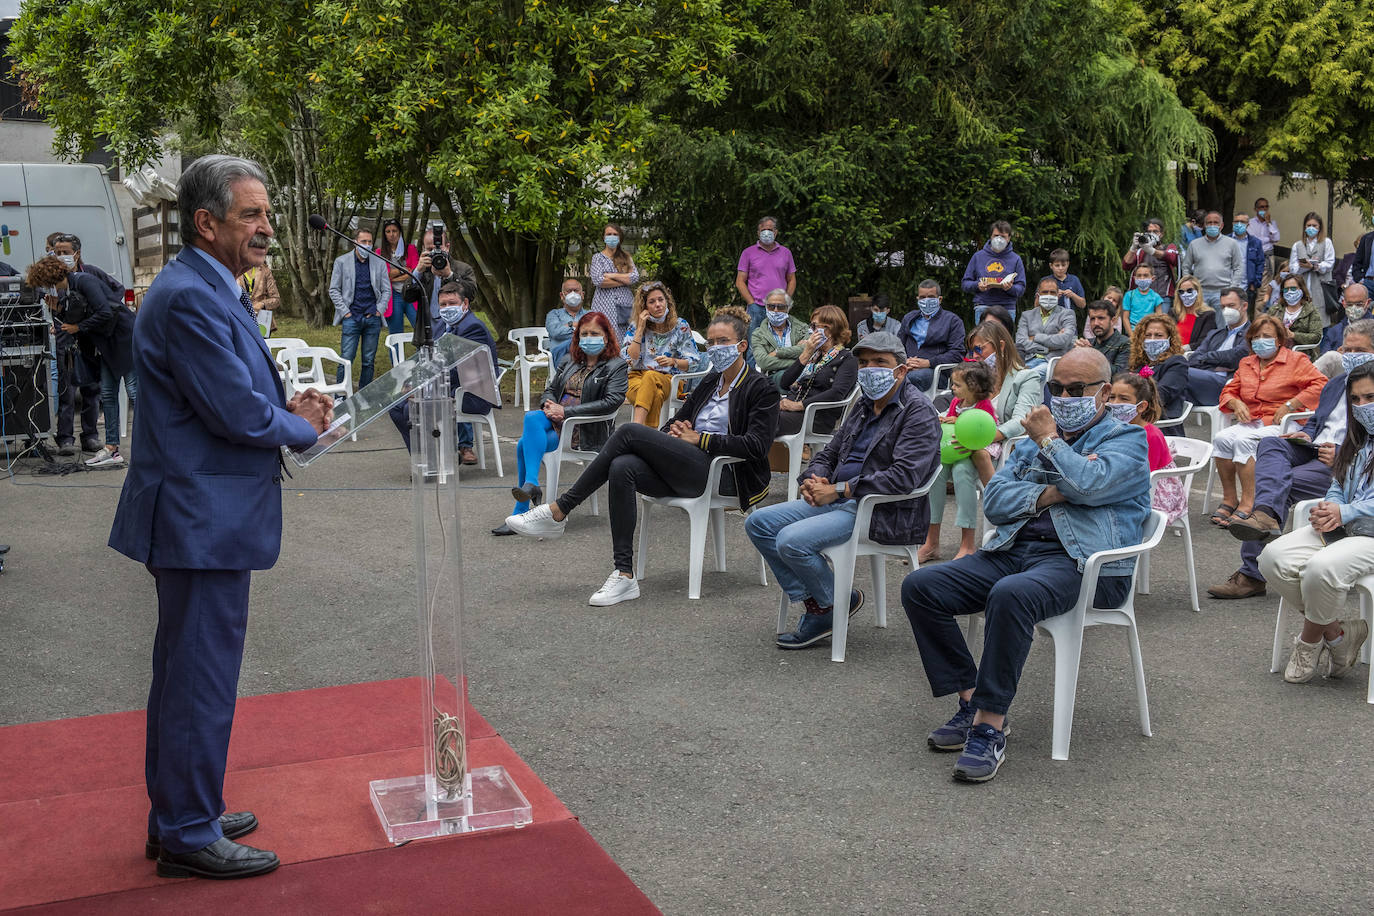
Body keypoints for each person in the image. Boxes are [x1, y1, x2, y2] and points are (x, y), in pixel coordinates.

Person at [107, 155, 334, 880]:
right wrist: (304, 427)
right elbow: (236, 409)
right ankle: (185, 829)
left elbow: (237, 389)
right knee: (199, 679)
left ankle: (180, 807)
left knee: (186, 675)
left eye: (267, 215)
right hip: (198, 518)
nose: (266, 228)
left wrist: (289, 410)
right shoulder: (191, 295)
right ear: (206, 222)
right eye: (251, 215)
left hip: (201, 512)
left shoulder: (207, 285)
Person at [902, 348, 1150, 783]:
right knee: (922, 586)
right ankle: (971, 699)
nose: (1064, 397)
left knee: (1011, 594)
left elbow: (1088, 486)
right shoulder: (1031, 441)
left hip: (1086, 565)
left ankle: (989, 726)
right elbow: (996, 502)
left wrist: (1050, 444)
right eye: (1056, 389)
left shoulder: (1126, 440)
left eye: (1077, 389)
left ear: (1105, 393)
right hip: (1017, 550)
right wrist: (1048, 493)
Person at [504, 307, 780, 607]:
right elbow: (670, 424)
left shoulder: (760, 387)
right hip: (688, 465)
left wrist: (700, 438)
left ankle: (561, 509)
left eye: (722, 342)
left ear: (741, 345)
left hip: (726, 476)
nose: (714, 348)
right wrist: (674, 431)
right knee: (623, 466)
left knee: (627, 432)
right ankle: (624, 575)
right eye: (710, 342)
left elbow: (757, 446)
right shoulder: (710, 382)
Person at [748, 330, 941, 649]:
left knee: (790, 541)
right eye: (864, 363)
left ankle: (826, 604)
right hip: (836, 498)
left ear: (902, 369)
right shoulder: (864, 404)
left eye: (880, 362)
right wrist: (814, 478)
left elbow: (904, 477)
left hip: (879, 510)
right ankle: (828, 601)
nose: (869, 369)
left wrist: (838, 489)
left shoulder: (918, 412)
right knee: (759, 523)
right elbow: (830, 451)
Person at [1210, 322, 1374, 599]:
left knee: (1278, 484)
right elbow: (1318, 421)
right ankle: (1264, 516)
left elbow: (1363, 438)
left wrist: (1342, 453)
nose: (1352, 354)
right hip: (1313, 447)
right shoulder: (1336, 383)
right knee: (1271, 443)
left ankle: (1251, 573)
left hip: (1341, 460)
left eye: (1361, 350)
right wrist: (1305, 433)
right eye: (1348, 349)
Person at [1258, 361, 1374, 683]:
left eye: (1370, 397)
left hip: (1369, 536)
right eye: (1356, 399)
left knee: (1319, 570)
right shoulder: (1358, 438)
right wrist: (1330, 508)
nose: (1363, 407)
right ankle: (1338, 636)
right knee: (1272, 559)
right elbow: (1339, 483)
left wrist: (1345, 512)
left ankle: (1309, 642)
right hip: (1344, 529)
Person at [495, 311, 628, 535]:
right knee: (532, 418)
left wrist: (566, 412)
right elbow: (550, 389)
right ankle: (529, 489)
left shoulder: (616, 366)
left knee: (522, 445)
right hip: (555, 421)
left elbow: (612, 402)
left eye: (594, 333)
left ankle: (522, 506)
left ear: (606, 336)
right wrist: (549, 404)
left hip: (584, 429)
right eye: (584, 333)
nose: (588, 337)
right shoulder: (570, 360)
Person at [922, 321, 1042, 562]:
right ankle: (931, 541)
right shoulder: (974, 376)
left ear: (1000, 347)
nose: (974, 356)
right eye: (972, 351)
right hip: (962, 445)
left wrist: (978, 438)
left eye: (979, 350)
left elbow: (1021, 420)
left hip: (998, 449)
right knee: (934, 471)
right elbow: (956, 405)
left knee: (967, 468)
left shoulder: (1026, 377)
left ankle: (967, 544)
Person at [1208, 314, 1327, 527]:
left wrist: (1292, 404)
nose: (1260, 340)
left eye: (1267, 336)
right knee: (1221, 438)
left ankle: (1249, 503)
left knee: (1245, 441)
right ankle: (1229, 499)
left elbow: (1320, 383)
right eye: (1256, 336)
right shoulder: (1247, 363)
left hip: (1283, 421)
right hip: (1254, 419)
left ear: (1279, 340)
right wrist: (1236, 403)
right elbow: (1228, 391)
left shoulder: (1295, 360)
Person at [26, 255, 137, 468]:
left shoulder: (84, 281)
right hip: (106, 344)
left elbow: (105, 311)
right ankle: (112, 449)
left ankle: (149, 445)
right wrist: (59, 311)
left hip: (124, 339)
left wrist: (79, 327)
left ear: (49, 279)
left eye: (44, 285)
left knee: (133, 391)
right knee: (108, 394)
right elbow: (81, 313)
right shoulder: (68, 289)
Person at [387, 279, 498, 466]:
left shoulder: (472, 327)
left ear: (465, 304)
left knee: (412, 407)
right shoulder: (439, 325)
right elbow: (428, 358)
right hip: (444, 386)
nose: (447, 308)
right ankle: (427, 458)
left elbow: (459, 369)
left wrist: (422, 388)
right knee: (396, 406)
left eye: (452, 303)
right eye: (443, 304)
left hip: (470, 391)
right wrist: (412, 382)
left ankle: (439, 458)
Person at [1108, 372, 1186, 523]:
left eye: (1123, 399)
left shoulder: (1150, 435)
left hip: (1154, 491)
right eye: (1112, 397)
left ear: (1142, 406)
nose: (1115, 403)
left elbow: (1144, 477)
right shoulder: (1114, 428)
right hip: (1127, 482)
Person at [622, 282, 703, 425]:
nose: (658, 304)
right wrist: (640, 328)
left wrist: (673, 361)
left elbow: (694, 362)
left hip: (670, 380)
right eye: (652, 302)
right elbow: (630, 359)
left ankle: (634, 429)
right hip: (636, 378)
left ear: (667, 301)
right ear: (644, 307)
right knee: (656, 395)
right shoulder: (636, 326)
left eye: (661, 299)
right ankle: (648, 438)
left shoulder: (680, 326)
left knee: (651, 376)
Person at [775, 305, 858, 437]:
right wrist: (806, 354)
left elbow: (837, 393)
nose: (810, 330)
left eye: (814, 327)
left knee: (767, 421)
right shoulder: (814, 356)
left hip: (816, 417)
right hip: (791, 411)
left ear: (829, 330)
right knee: (754, 414)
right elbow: (784, 383)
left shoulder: (847, 359)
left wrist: (798, 405)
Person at [327, 227, 389, 389]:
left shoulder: (379, 262)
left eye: (369, 242)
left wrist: (379, 310)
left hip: (372, 318)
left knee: (368, 361)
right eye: (363, 242)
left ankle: (364, 394)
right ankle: (340, 395)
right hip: (352, 317)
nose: (367, 245)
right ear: (355, 243)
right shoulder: (342, 262)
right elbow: (334, 289)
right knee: (346, 359)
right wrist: (345, 312)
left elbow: (386, 290)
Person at [899, 280, 966, 393]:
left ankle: (912, 409)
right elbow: (898, 346)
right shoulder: (909, 318)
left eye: (930, 296)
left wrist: (928, 363)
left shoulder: (952, 321)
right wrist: (905, 361)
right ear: (917, 299)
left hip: (935, 372)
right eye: (922, 297)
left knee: (912, 378)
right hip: (907, 367)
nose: (926, 300)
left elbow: (957, 353)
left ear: (939, 299)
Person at [735, 216, 797, 336]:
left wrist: (786, 301)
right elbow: (740, 281)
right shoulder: (748, 253)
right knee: (754, 344)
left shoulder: (786, 253)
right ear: (758, 233)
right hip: (756, 307)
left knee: (779, 342)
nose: (766, 233)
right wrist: (751, 303)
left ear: (776, 232)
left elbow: (792, 279)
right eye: (763, 230)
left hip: (779, 307)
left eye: (770, 229)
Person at [1185, 293, 1250, 406]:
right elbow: (1193, 359)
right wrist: (1214, 365)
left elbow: (1234, 357)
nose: (1226, 310)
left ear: (1244, 306)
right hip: (1201, 381)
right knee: (1172, 386)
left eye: (1231, 305)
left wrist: (1206, 358)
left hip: (1227, 385)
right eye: (1223, 307)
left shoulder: (1252, 333)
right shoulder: (1214, 334)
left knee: (1177, 368)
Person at [1127, 314, 1190, 421]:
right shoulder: (1136, 364)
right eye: (1148, 335)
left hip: (1161, 421)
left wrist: (1127, 402)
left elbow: (1162, 394)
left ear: (1170, 338)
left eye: (1159, 335)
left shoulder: (1177, 363)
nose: (1152, 339)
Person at [1181, 210, 1246, 311]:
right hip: (1200, 292)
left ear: (1222, 225)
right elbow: (1186, 266)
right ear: (1204, 225)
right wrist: (1190, 286)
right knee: (1200, 322)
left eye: (1215, 223)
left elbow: (1238, 267)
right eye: (1209, 223)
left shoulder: (1231, 244)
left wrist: (1232, 287)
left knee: (1221, 323)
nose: (1212, 225)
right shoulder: (1194, 244)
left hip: (1223, 292)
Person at [961, 220, 1026, 322]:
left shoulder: (1016, 259)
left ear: (1009, 238)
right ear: (990, 236)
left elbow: (1021, 288)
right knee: (983, 338)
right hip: (983, 306)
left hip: (1007, 308)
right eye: (996, 236)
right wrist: (978, 286)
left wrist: (1009, 288)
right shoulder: (978, 256)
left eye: (1003, 236)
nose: (999, 239)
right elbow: (965, 284)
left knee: (1004, 338)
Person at [751, 289, 809, 389]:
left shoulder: (802, 329)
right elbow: (763, 362)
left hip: (803, 373)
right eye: (771, 306)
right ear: (766, 308)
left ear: (788, 308)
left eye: (781, 307)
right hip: (774, 376)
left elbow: (808, 350)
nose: (776, 310)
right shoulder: (758, 334)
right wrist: (798, 361)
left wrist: (778, 352)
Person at [589, 223, 639, 337]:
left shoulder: (626, 257)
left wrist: (611, 275)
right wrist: (624, 279)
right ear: (604, 237)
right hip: (603, 304)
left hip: (625, 303)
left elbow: (635, 277)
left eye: (615, 234)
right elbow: (599, 281)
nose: (612, 236)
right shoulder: (597, 258)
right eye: (609, 234)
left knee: (626, 334)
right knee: (604, 332)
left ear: (620, 237)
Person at [1014, 277, 1075, 369]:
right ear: (1038, 295)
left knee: (1031, 375)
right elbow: (1021, 343)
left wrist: (1035, 337)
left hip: (1052, 362)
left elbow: (1064, 340)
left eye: (1052, 292)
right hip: (1028, 360)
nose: (1049, 295)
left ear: (1058, 295)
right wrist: (1046, 348)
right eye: (1045, 292)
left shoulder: (1067, 314)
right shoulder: (1027, 315)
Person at [52, 233, 125, 300]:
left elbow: (119, 289)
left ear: (77, 253)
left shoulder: (91, 272)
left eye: (66, 252)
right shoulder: (54, 278)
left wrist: (109, 306)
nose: (61, 256)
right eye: (58, 253)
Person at [377, 218, 420, 334]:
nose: (392, 235)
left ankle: (423, 352)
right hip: (394, 295)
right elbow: (382, 277)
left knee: (420, 329)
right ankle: (395, 353)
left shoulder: (410, 249)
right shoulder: (379, 253)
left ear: (400, 232)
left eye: (394, 231)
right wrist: (403, 271)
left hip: (411, 292)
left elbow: (414, 273)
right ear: (384, 234)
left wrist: (392, 277)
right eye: (388, 232)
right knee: (396, 332)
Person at [1288, 212, 1336, 315]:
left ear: (1319, 227)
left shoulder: (1326, 242)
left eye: (1314, 225)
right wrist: (1305, 267)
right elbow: (1293, 268)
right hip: (1302, 286)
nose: (1311, 228)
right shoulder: (1298, 245)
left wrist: (1316, 266)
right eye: (1308, 225)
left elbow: (1330, 263)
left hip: (1321, 287)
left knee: (1320, 317)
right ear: (1304, 227)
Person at [1120, 218, 1179, 300]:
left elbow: (1173, 258)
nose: (1152, 234)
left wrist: (1152, 251)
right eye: (1149, 232)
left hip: (1163, 296)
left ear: (1161, 234)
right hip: (1141, 296)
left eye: (1155, 232)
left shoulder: (1168, 247)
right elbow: (1125, 266)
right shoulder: (1140, 251)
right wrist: (1133, 247)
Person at [1265, 273, 1323, 349]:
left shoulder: (1311, 311)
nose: (1289, 292)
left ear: (1301, 289)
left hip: (1300, 353)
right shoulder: (1275, 309)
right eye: (1286, 289)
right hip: (1275, 351)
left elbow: (1316, 337)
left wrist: (1293, 335)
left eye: (1293, 289)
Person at [1074, 299, 1130, 374]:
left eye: (1101, 318)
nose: (1096, 323)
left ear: (1113, 321)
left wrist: (1091, 355)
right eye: (1092, 319)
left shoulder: (1125, 343)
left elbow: (1119, 375)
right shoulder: (1088, 343)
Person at [544, 278, 588, 367]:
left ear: (582, 295)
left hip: (586, 355)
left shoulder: (591, 314)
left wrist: (568, 326)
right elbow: (555, 332)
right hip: (560, 355)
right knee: (578, 344)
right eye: (569, 291)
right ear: (562, 295)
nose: (573, 294)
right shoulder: (553, 314)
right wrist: (578, 328)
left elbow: (598, 334)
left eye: (576, 291)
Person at [1320, 283, 1369, 356]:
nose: (1354, 308)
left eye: (1359, 304)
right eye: (1350, 304)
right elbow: (1324, 359)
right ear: (1343, 303)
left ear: (1367, 303)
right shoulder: (1333, 332)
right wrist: (1336, 356)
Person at [1231, 209, 1266, 309]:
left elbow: (1260, 263)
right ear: (1232, 223)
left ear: (1248, 224)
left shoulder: (1255, 243)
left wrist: (1255, 284)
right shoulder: (1226, 240)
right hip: (1228, 285)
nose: (1239, 224)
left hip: (1247, 287)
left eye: (1242, 222)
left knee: (1243, 315)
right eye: (1236, 221)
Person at [1169, 274, 1216, 347]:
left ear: (1197, 292)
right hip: (1173, 353)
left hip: (1194, 354)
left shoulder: (1208, 315)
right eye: (1181, 291)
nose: (1185, 294)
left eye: (1189, 290)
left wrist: (1187, 349)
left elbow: (1205, 341)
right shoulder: (1173, 313)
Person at [238, 263, 280, 335]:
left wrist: (262, 304)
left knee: (262, 345)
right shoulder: (234, 269)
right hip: (240, 320)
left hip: (262, 321)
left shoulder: (265, 271)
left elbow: (276, 299)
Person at [1248, 197, 1282, 288]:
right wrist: (1268, 239)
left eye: (1266, 207)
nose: (1264, 209)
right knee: (1253, 285)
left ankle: (1263, 302)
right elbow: (1254, 240)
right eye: (1261, 207)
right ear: (1256, 209)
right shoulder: (1250, 223)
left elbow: (1276, 238)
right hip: (1255, 257)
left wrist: (1269, 223)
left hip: (1268, 257)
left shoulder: (1272, 223)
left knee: (1265, 287)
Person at [1122, 263, 1165, 331]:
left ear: (1152, 278)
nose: (1142, 278)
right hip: (1133, 331)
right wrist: (1131, 335)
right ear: (1135, 278)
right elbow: (1125, 318)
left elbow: (1159, 318)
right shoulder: (1129, 295)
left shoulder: (1156, 297)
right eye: (1139, 275)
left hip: (1149, 332)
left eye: (1145, 275)